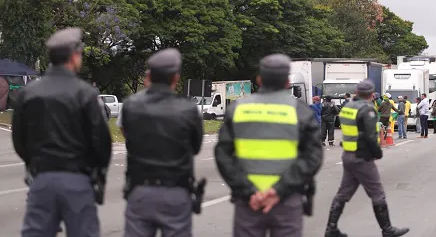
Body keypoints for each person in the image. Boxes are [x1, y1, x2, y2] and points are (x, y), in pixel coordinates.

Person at [12, 27, 112, 237]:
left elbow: (19, 140)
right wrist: (95, 170)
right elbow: (102, 143)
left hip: (41, 179)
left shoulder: (28, 94)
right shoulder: (86, 94)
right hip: (77, 179)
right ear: (74, 56)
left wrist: (36, 161)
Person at [215, 54, 323, 237]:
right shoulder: (300, 111)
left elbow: (223, 155)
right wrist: (278, 191)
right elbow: (313, 157)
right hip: (287, 200)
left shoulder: (238, 109)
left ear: (259, 79)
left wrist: (250, 192)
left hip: (249, 202)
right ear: (287, 82)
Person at [120, 48, 204, 236]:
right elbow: (195, 147)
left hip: (140, 189)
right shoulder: (189, 110)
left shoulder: (130, 106)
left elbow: (128, 135)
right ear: (176, 78)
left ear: (149, 76)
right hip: (175, 191)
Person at [324, 79, 409, 237]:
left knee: (343, 193)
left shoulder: (347, 107)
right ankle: (387, 230)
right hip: (362, 157)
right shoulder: (367, 109)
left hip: (348, 155)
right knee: (377, 193)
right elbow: (370, 136)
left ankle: (331, 229)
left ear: (356, 92)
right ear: (371, 94)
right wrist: (377, 153)